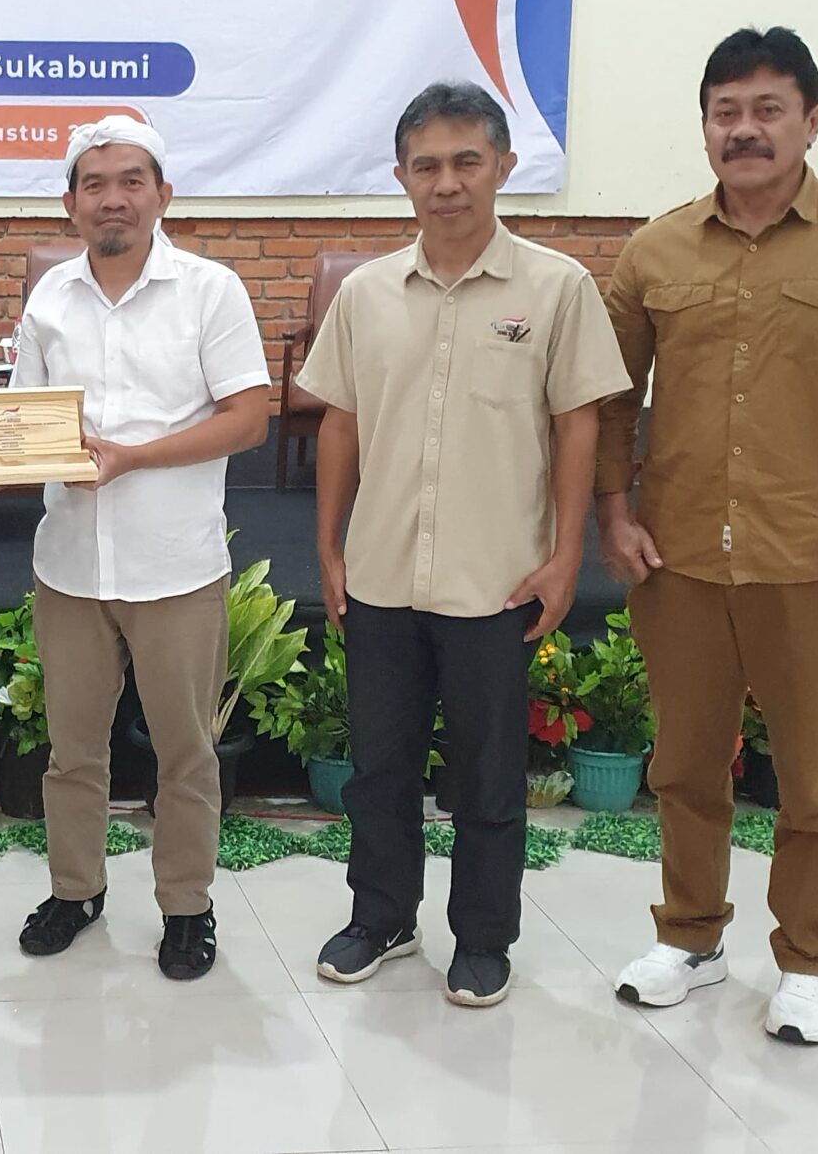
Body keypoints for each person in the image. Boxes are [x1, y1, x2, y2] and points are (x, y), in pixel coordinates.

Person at [598, 27, 818, 1045]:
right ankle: (689, 937)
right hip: (676, 554)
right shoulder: (656, 249)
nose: (745, 130)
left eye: (767, 109)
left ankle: (808, 959)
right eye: (726, 112)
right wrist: (612, 510)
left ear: (811, 120)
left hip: (814, 554)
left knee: (812, 777)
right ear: (704, 125)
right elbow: (609, 395)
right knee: (683, 764)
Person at [298, 82, 629, 1007]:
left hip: (497, 580)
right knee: (379, 768)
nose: (446, 183)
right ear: (402, 176)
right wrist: (329, 548)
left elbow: (577, 423)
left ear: (503, 167)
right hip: (381, 575)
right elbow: (338, 422)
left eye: (466, 162)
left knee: (487, 776)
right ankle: (382, 916)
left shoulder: (556, 288)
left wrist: (565, 554)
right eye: (427, 165)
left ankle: (484, 936)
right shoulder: (366, 294)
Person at [8, 117, 271, 980]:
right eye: (94, 183)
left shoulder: (210, 290)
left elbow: (247, 417)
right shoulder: (48, 301)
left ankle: (186, 907)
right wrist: (8, 450)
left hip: (175, 566)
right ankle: (75, 889)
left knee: (185, 752)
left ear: (163, 194)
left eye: (131, 180)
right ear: (70, 203)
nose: (112, 198)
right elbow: (24, 420)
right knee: (73, 750)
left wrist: (132, 456)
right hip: (71, 566)